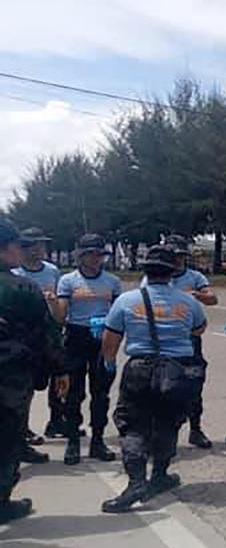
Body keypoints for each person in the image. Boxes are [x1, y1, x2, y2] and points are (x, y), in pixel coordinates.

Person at [100, 245, 208, 513]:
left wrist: (110, 366)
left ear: (145, 270)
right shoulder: (189, 301)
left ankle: (136, 482)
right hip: (176, 370)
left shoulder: (126, 301)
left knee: (133, 425)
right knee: (168, 423)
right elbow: (199, 328)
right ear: (172, 273)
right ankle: (160, 474)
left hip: (139, 369)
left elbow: (110, 340)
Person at [0, 219, 68, 523]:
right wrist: (60, 370)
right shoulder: (21, 287)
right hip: (10, 379)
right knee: (7, 441)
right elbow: (46, 333)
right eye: (17, 246)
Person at [57, 233, 122, 465]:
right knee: (74, 393)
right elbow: (62, 315)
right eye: (91, 254)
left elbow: (118, 311)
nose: (96, 259)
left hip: (102, 337)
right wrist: (55, 305)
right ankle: (73, 440)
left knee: (101, 392)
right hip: (76, 336)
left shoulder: (112, 282)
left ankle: (98, 440)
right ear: (81, 256)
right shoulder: (68, 280)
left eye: (99, 254)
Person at [159, 235, 218, 449]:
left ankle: (195, 429)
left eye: (180, 256)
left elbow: (213, 299)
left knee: (194, 384)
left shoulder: (194, 277)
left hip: (190, 337)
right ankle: (165, 433)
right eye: (173, 256)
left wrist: (196, 295)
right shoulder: (156, 277)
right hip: (165, 338)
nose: (176, 261)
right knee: (162, 386)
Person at [12, 227, 61, 463]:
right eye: (34, 245)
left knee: (33, 387)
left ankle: (25, 431)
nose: (39, 249)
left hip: (44, 334)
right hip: (18, 337)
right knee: (15, 389)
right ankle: (18, 437)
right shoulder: (14, 272)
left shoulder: (52, 271)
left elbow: (60, 304)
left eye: (42, 245)